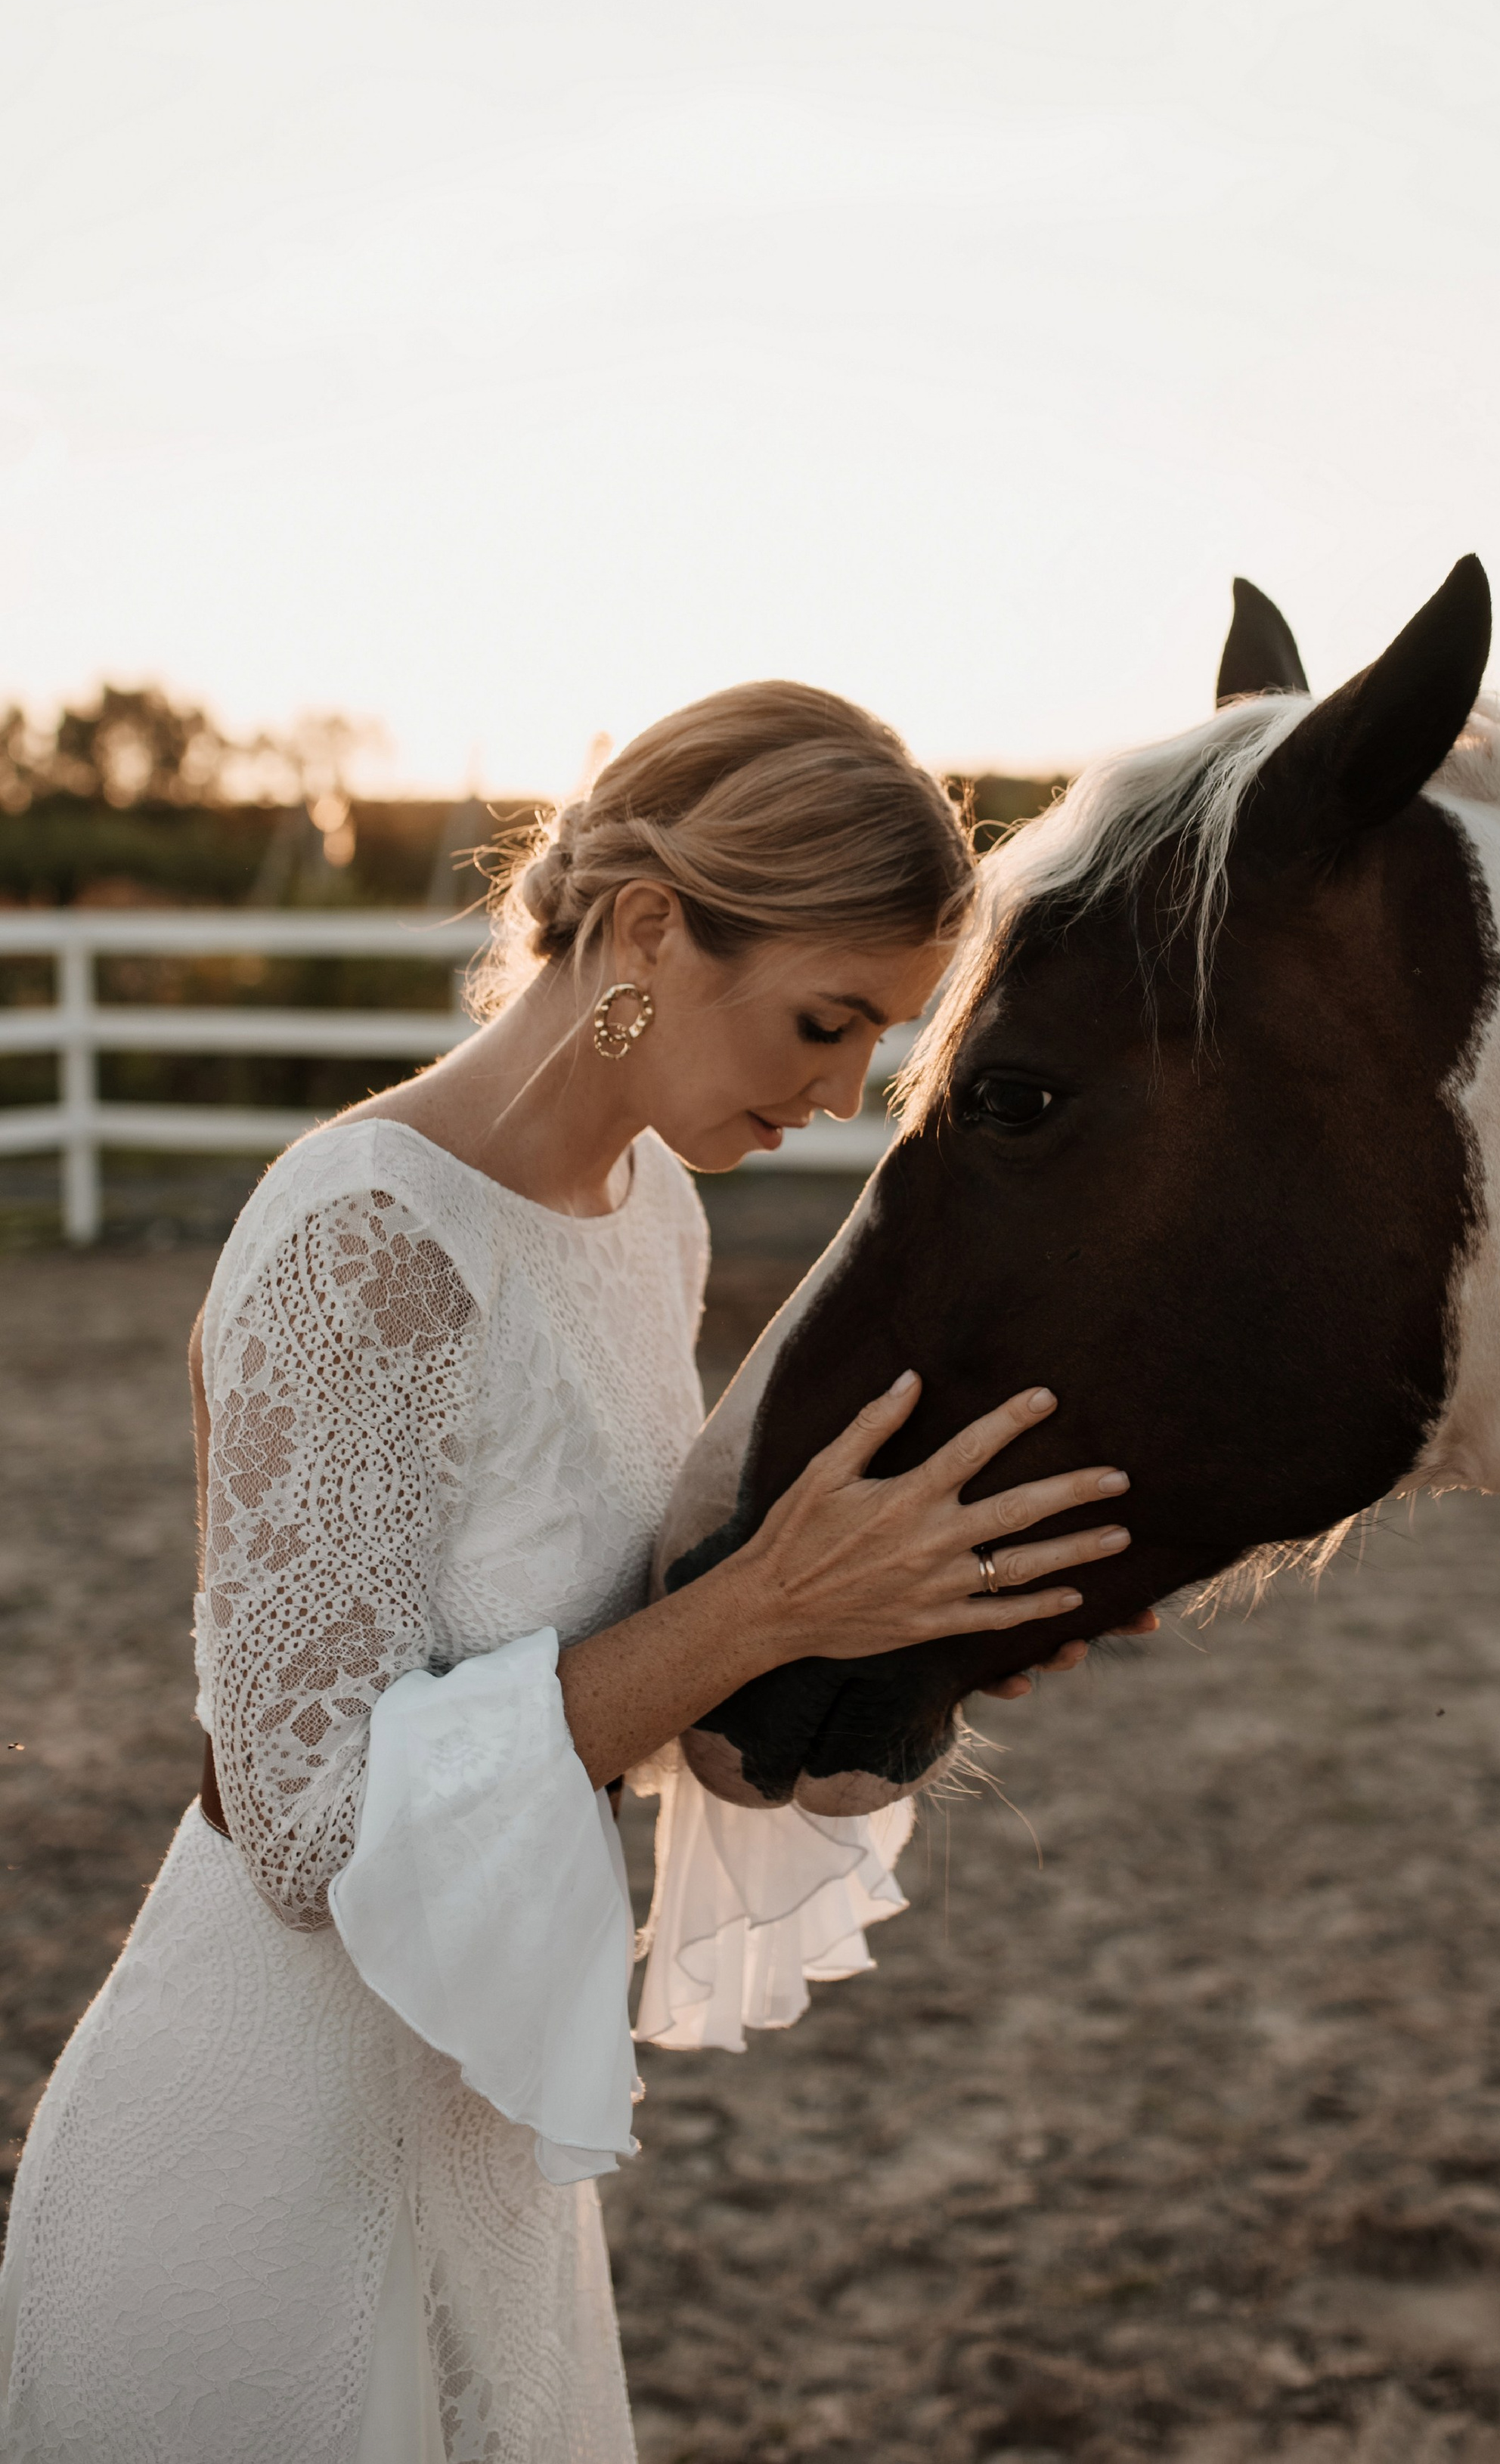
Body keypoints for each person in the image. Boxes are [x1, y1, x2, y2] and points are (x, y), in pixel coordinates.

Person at [0, 684, 1141, 2464]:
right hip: (267, 2129)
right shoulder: (364, 1232)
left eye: (877, 1042)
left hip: (485, 2089)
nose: (841, 1096)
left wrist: (869, 1660)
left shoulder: (652, 1216)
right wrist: (763, 1604)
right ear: (641, 929)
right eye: (823, 1022)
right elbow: (307, 1823)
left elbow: (612, 1677)